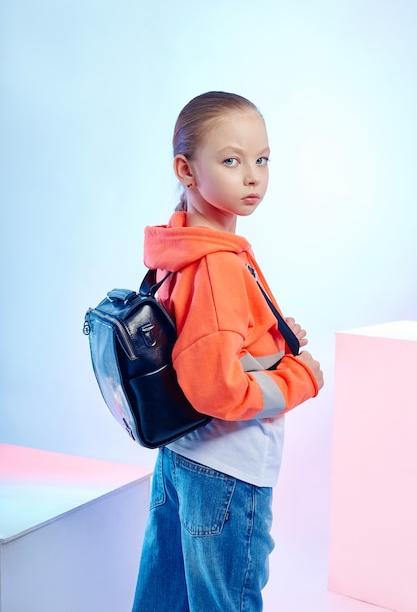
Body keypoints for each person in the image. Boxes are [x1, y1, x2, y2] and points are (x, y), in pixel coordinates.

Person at [131, 91, 324, 612]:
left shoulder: (184, 245)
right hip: (228, 469)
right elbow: (217, 386)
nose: (253, 176)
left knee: (163, 599)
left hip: (181, 455)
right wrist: (300, 378)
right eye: (231, 160)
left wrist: (271, 338)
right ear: (186, 170)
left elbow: (198, 342)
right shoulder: (218, 265)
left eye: (262, 159)